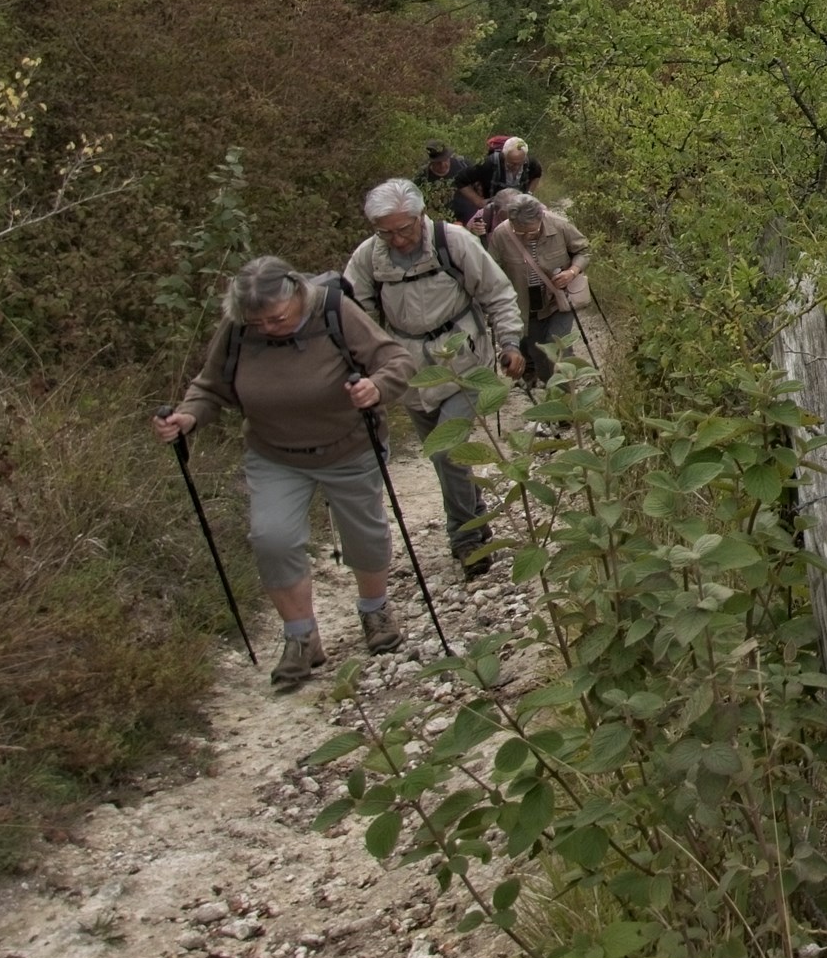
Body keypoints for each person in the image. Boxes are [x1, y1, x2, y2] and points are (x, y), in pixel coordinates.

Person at [154, 256, 415, 690]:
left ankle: (375, 610)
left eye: (276, 319)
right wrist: (186, 419)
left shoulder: (334, 310)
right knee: (271, 538)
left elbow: (396, 360)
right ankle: (301, 638)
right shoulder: (240, 328)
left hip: (348, 446)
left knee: (364, 535)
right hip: (274, 453)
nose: (268, 328)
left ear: (297, 293)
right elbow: (209, 387)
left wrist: (377, 387)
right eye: (258, 323)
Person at [345, 178, 527, 579]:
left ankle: (465, 539)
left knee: (448, 451)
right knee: (444, 458)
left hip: (465, 364)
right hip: (410, 372)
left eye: (404, 229)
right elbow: (353, 316)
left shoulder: (453, 242)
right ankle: (476, 519)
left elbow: (497, 293)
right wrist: (359, 367)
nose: (397, 239)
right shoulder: (367, 258)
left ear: (420, 216)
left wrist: (510, 342)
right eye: (386, 232)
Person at [483, 191, 591, 373]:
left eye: (531, 231)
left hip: (558, 300)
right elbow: (492, 271)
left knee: (557, 346)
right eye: (520, 232)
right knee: (538, 353)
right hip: (526, 305)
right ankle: (552, 391)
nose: (526, 237)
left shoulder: (559, 225)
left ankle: (568, 394)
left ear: (541, 217)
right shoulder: (501, 235)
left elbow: (584, 250)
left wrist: (572, 272)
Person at [450, 137, 541, 232]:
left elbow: (537, 174)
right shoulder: (489, 164)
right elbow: (460, 180)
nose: (516, 167)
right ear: (504, 156)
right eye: (512, 164)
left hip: (519, 210)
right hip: (494, 212)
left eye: (520, 164)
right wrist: (479, 202)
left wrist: (529, 193)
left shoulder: (530, 163)